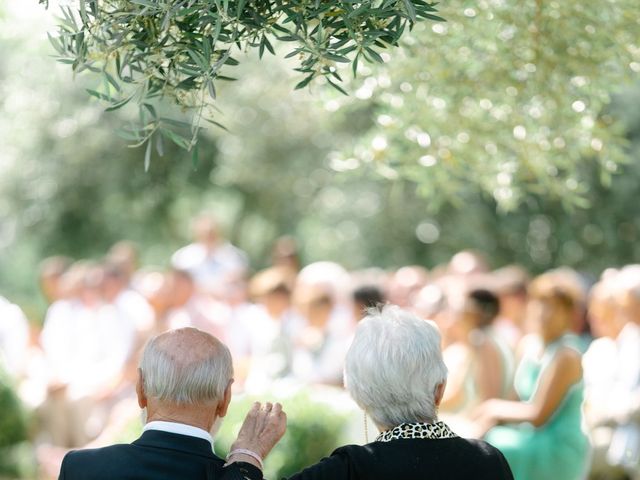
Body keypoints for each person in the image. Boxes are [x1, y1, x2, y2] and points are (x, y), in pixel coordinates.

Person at [285, 305, 514, 480]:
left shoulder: (349, 469)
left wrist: (249, 456)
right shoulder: (489, 460)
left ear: (360, 397)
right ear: (440, 389)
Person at [58, 327, 286, 480]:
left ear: (140, 390)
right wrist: (248, 459)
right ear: (225, 399)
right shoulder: (236, 474)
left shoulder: (81, 468)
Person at [475, 272, 591, 480]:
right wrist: (485, 419)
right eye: (541, 304)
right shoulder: (528, 345)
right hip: (529, 438)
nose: (545, 313)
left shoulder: (566, 355)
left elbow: (538, 415)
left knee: (490, 451)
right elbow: (514, 398)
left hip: (555, 446)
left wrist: (493, 409)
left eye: (555, 307)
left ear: (570, 314)